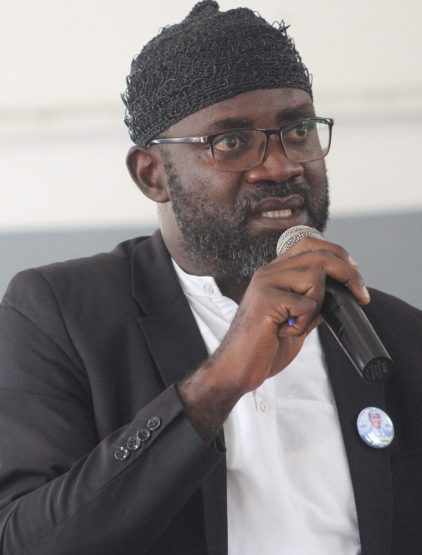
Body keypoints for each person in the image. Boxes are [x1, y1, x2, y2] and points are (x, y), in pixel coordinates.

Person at [0, 1, 421, 554]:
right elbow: (25, 540)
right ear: (152, 175)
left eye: (298, 130)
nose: (281, 166)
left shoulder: (395, 334)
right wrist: (218, 383)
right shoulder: (60, 314)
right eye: (231, 142)